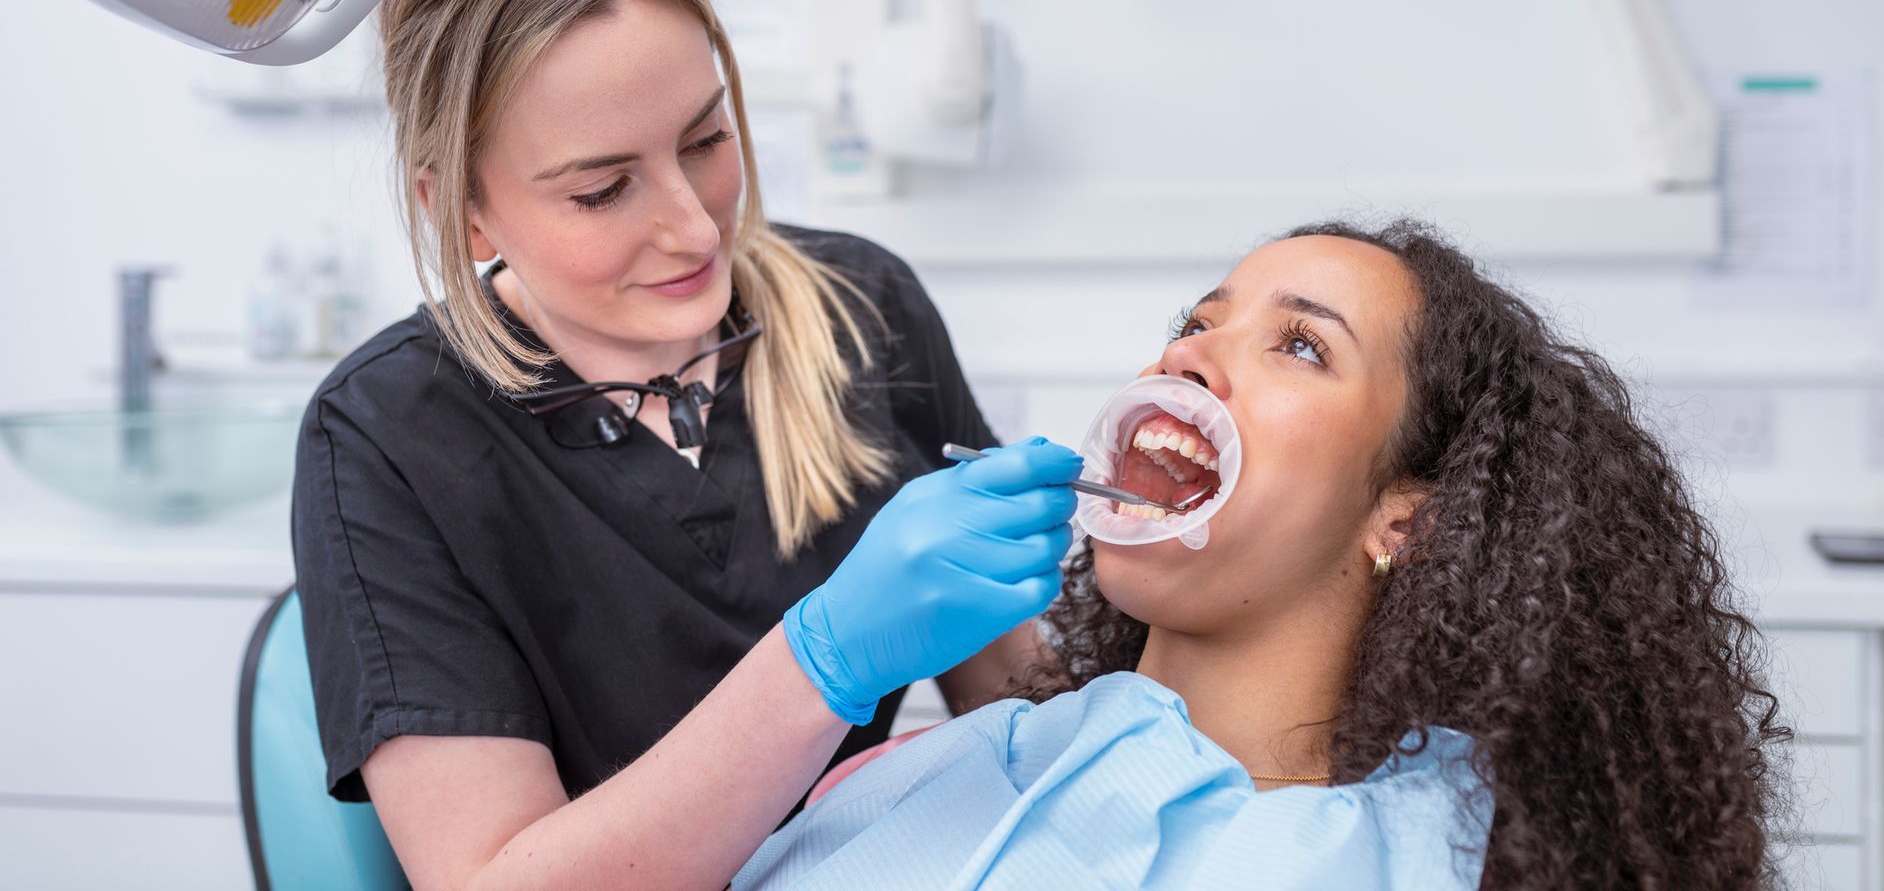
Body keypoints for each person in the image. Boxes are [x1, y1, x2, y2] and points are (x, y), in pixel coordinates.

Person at [291, 0, 1082, 890]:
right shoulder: (388, 437)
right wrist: (819, 661)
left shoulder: (862, 310)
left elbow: (1028, 710)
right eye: (603, 187)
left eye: (706, 142)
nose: (697, 227)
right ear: (463, 209)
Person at [735, 220, 1789, 890]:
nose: (1186, 351)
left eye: (1300, 344)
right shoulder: (927, 772)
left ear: (1409, 521)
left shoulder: (1422, 856)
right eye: (1198, 321)